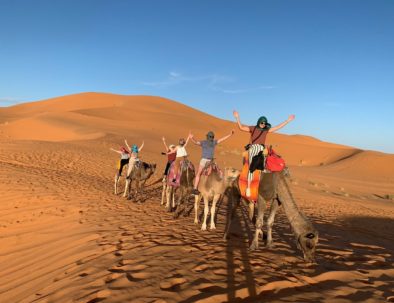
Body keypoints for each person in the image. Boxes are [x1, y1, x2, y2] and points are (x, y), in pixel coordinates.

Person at [233, 110, 295, 197]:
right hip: (253, 148)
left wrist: (287, 121)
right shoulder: (253, 128)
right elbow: (241, 128)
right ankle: (248, 187)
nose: (263, 124)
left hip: (262, 150)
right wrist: (237, 117)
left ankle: (261, 184)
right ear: (259, 122)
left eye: (264, 123)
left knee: (264, 166)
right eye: (262, 122)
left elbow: (277, 127)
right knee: (252, 168)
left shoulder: (266, 130)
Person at [190, 130, 234, 195]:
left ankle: (195, 188)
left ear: (207, 136)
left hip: (206, 160)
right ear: (212, 137)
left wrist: (191, 138)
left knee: (199, 174)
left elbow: (196, 142)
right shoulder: (213, 142)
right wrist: (229, 135)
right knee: (219, 172)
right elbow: (222, 139)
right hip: (209, 161)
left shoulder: (205, 142)